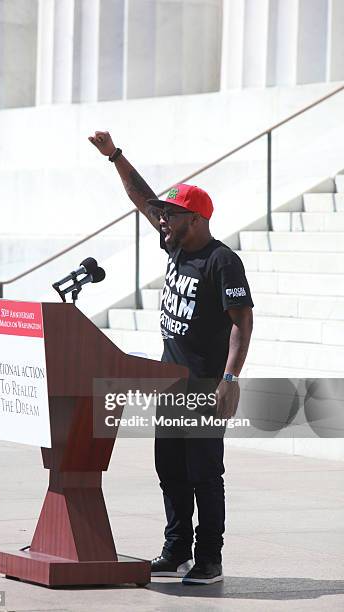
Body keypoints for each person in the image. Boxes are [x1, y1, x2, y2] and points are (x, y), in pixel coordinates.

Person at [89, 131, 254, 585]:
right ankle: (177, 548)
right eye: (163, 214)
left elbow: (242, 322)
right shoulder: (175, 243)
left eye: (172, 214)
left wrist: (229, 379)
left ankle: (209, 558)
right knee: (171, 470)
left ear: (196, 220)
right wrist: (116, 157)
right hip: (169, 385)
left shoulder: (223, 262)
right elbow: (142, 199)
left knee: (204, 473)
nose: (162, 219)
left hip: (204, 386)